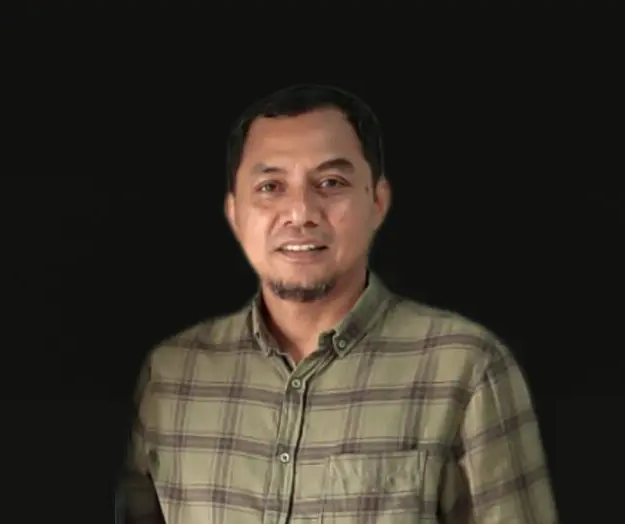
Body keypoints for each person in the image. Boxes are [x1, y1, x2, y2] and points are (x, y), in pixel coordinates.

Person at [122, 84, 558, 524]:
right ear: (235, 214)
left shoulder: (466, 369)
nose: (300, 213)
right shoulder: (170, 377)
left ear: (377, 202)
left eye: (330, 183)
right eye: (271, 186)